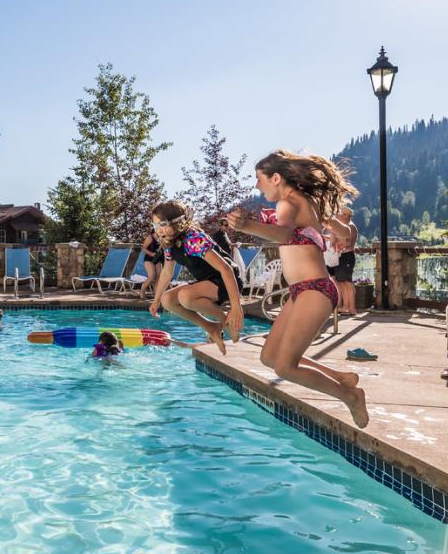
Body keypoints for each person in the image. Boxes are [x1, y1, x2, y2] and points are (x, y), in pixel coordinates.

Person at [226, 150, 370, 429]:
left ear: (276, 178)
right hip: (303, 291)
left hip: (314, 291)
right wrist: (331, 232)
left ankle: (350, 396)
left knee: (284, 367)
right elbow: (346, 232)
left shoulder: (288, 202)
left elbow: (284, 234)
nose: (257, 185)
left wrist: (247, 225)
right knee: (269, 357)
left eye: (259, 178)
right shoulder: (306, 202)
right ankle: (338, 377)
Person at [147, 200, 245, 355]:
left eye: (163, 224)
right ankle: (211, 327)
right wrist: (156, 300)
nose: (158, 230)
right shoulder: (169, 243)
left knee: (185, 296)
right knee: (167, 300)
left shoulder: (193, 239)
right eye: (155, 225)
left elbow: (226, 269)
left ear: (177, 222)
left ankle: (226, 322)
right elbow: (166, 273)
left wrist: (236, 307)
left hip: (227, 280)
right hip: (207, 282)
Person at [327, 204, 358, 314]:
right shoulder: (346, 226)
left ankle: (352, 308)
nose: (337, 216)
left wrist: (337, 243)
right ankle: (346, 306)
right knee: (342, 283)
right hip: (342, 256)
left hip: (347, 256)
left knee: (347, 283)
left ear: (345, 215)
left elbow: (348, 242)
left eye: (339, 214)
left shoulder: (350, 226)